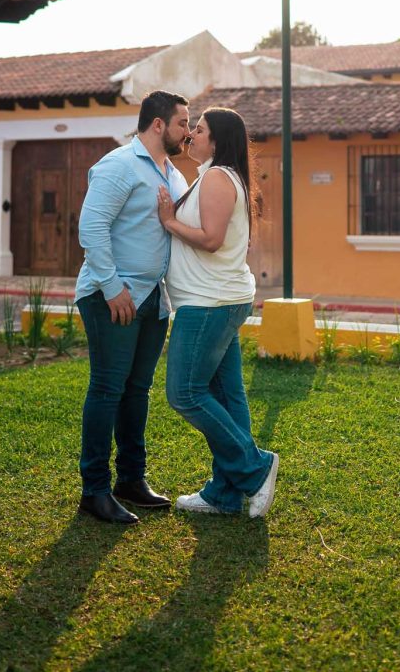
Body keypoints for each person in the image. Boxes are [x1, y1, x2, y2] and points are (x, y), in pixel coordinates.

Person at [75, 89, 190, 524]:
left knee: (137, 391)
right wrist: (111, 286)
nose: (187, 130)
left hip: (152, 300)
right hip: (113, 297)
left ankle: (131, 480)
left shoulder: (173, 174)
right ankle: (94, 491)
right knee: (107, 389)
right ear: (158, 124)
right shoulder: (119, 165)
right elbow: (92, 226)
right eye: (183, 122)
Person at [158, 107, 279, 518]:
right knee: (227, 395)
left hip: (208, 303)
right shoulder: (217, 176)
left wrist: (169, 221)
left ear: (218, 139)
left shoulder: (215, 177)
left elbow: (210, 239)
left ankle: (255, 467)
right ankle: (224, 494)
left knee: (185, 393)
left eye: (201, 129)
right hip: (218, 299)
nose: (191, 134)